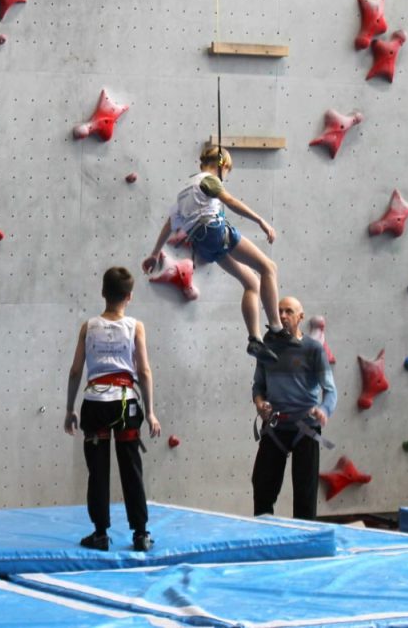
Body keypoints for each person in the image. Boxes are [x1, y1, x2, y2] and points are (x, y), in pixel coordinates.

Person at [142, 145, 291, 364]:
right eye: (227, 171)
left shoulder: (184, 191)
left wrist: (155, 253)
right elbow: (230, 202)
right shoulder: (209, 180)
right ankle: (276, 328)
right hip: (215, 232)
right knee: (269, 267)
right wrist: (260, 221)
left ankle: (255, 339)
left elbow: (169, 224)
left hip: (203, 245)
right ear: (223, 166)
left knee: (251, 283)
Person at [65, 267, 161, 551]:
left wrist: (70, 408)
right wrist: (151, 411)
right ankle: (140, 533)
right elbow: (143, 370)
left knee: (98, 470)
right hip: (125, 403)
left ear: (103, 292)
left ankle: (100, 533)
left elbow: (75, 371)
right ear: (129, 297)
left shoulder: (88, 326)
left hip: (95, 403)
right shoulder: (135, 326)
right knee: (131, 468)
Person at [252, 296, 337, 520]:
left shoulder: (313, 349)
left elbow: (330, 390)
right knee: (262, 486)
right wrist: (260, 403)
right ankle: (262, 534)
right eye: (279, 311)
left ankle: (306, 539)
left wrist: (324, 410)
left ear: (300, 317)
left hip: (305, 427)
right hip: (275, 425)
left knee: (305, 493)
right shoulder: (266, 348)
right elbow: (258, 386)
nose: (282, 316)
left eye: (289, 311)